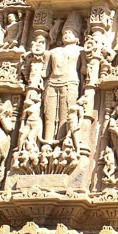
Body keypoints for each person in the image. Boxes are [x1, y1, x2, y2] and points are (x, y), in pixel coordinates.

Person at [43, 14, 84, 143]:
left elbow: (84, 71)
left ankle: (63, 141)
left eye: (71, 32)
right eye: (65, 32)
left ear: (78, 36)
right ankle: (48, 141)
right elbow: (44, 72)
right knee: (49, 115)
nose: (67, 35)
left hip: (70, 82)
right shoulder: (52, 52)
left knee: (66, 115)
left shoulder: (81, 51)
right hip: (52, 83)